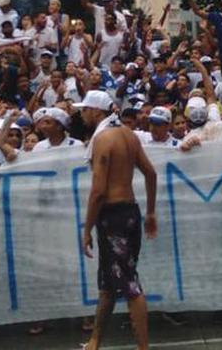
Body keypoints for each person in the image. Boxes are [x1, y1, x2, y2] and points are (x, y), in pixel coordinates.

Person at [79, 91, 158, 350]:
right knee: (108, 283)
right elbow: (151, 174)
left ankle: (144, 347)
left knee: (129, 284)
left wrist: (87, 228)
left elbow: (98, 191)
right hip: (130, 212)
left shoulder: (103, 139)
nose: (82, 114)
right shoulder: (128, 134)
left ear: (96, 111)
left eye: (85, 109)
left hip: (113, 216)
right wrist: (150, 212)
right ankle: (95, 341)